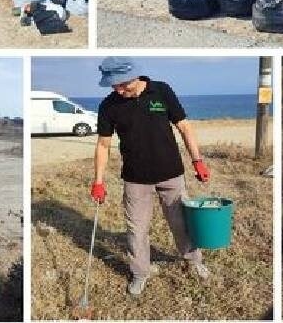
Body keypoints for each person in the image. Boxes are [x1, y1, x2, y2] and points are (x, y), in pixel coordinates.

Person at [90, 57, 211, 297]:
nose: (118, 89)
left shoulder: (161, 91)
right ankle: (140, 273)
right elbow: (103, 145)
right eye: (113, 85)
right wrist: (98, 182)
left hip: (171, 173)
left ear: (134, 75)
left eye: (121, 84)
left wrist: (197, 160)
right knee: (136, 230)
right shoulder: (108, 105)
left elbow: (184, 127)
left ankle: (193, 260)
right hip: (135, 178)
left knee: (180, 223)